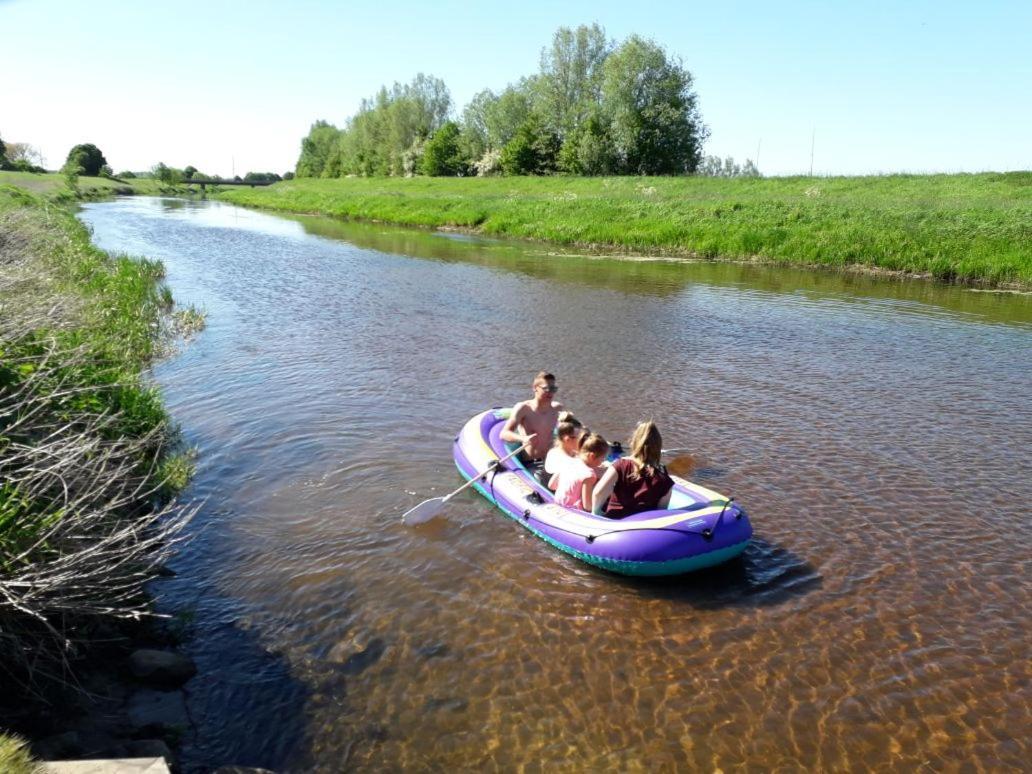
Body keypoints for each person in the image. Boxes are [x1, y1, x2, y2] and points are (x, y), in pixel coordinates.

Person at [592, 420, 673, 518]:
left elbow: (598, 493)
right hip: (639, 528)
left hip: (615, 522)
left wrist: (596, 513)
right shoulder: (665, 480)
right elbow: (661, 513)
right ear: (658, 446)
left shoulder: (621, 465)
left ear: (634, 442)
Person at [501, 371, 563, 485]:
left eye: (553, 389)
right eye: (546, 389)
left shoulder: (557, 408)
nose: (550, 393)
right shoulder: (524, 409)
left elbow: (569, 430)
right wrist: (523, 439)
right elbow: (504, 433)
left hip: (552, 461)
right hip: (532, 463)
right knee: (540, 484)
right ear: (535, 388)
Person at [554, 433, 609, 512]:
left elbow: (552, 485)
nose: (602, 462)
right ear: (592, 456)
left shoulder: (569, 461)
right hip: (571, 511)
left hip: (557, 503)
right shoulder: (589, 475)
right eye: (602, 459)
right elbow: (587, 506)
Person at [544, 415, 584, 491]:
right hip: (557, 493)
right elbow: (553, 486)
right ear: (567, 439)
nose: (583, 441)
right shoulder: (556, 455)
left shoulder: (575, 454)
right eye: (580, 438)